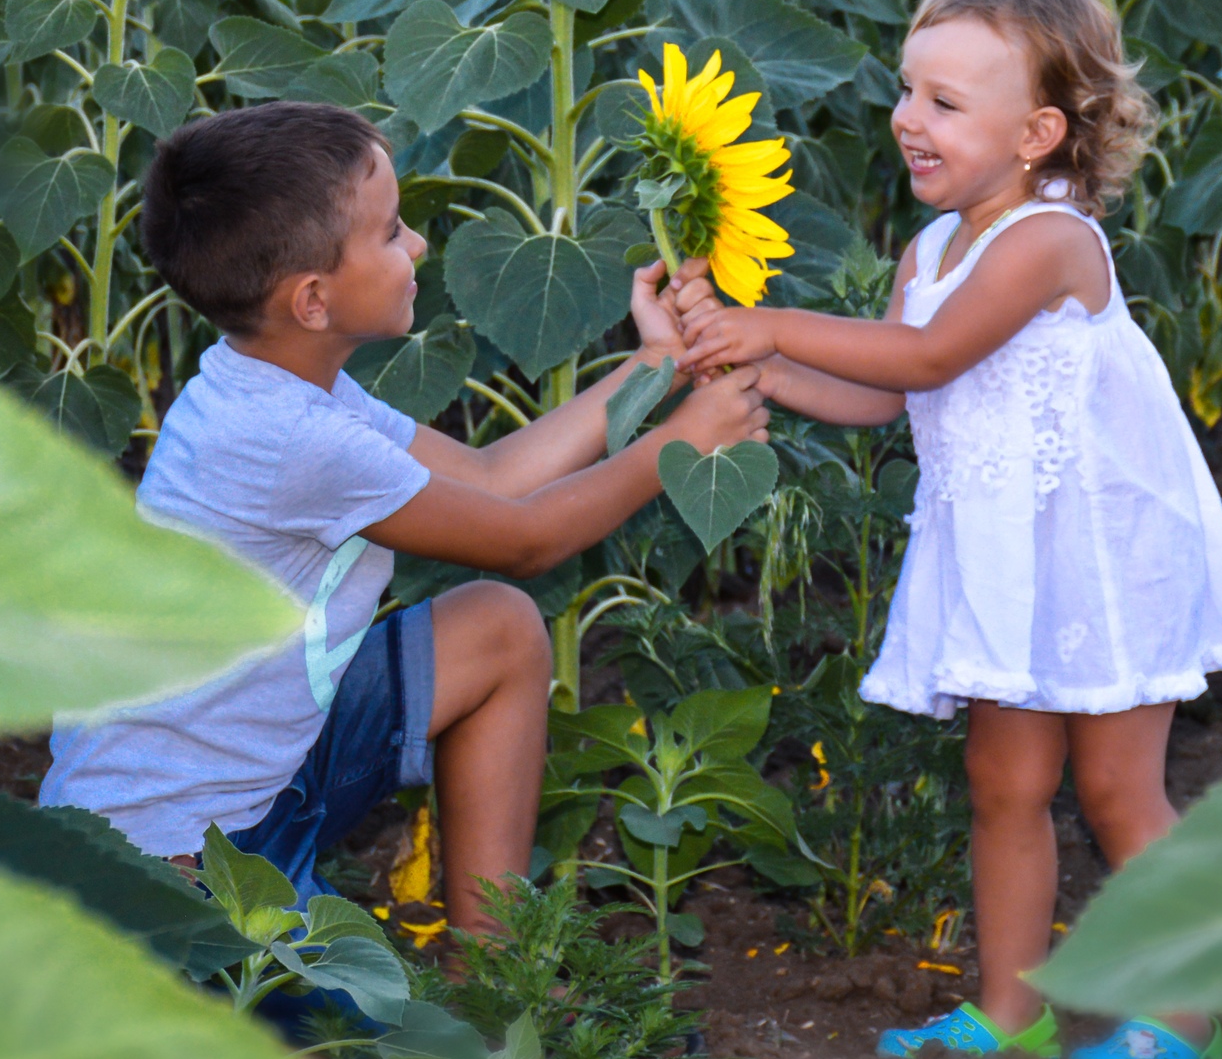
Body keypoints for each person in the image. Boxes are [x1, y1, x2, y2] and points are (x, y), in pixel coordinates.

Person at [678, 0, 1222, 1059]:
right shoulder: (933, 253)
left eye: (945, 102)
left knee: (1115, 791)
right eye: (909, 91)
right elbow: (886, 396)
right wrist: (744, 356)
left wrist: (765, 319)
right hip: (1004, 561)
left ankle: (1187, 1014)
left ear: (1039, 132)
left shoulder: (1050, 243)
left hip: (1101, 557)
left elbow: (927, 356)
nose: (908, 118)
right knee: (1002, 786)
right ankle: (1011, 1014)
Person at [41, 100, 767, 940]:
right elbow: (527, 537)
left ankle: (492, 979)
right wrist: (679, 443)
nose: (418, 245)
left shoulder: (272, 383)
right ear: (314, 300)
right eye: (390, 234)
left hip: (259, 778)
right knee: (347, 1046)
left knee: (497, 629)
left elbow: (494, 477)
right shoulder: (288, 439)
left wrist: (656, 366)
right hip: (167, 866)